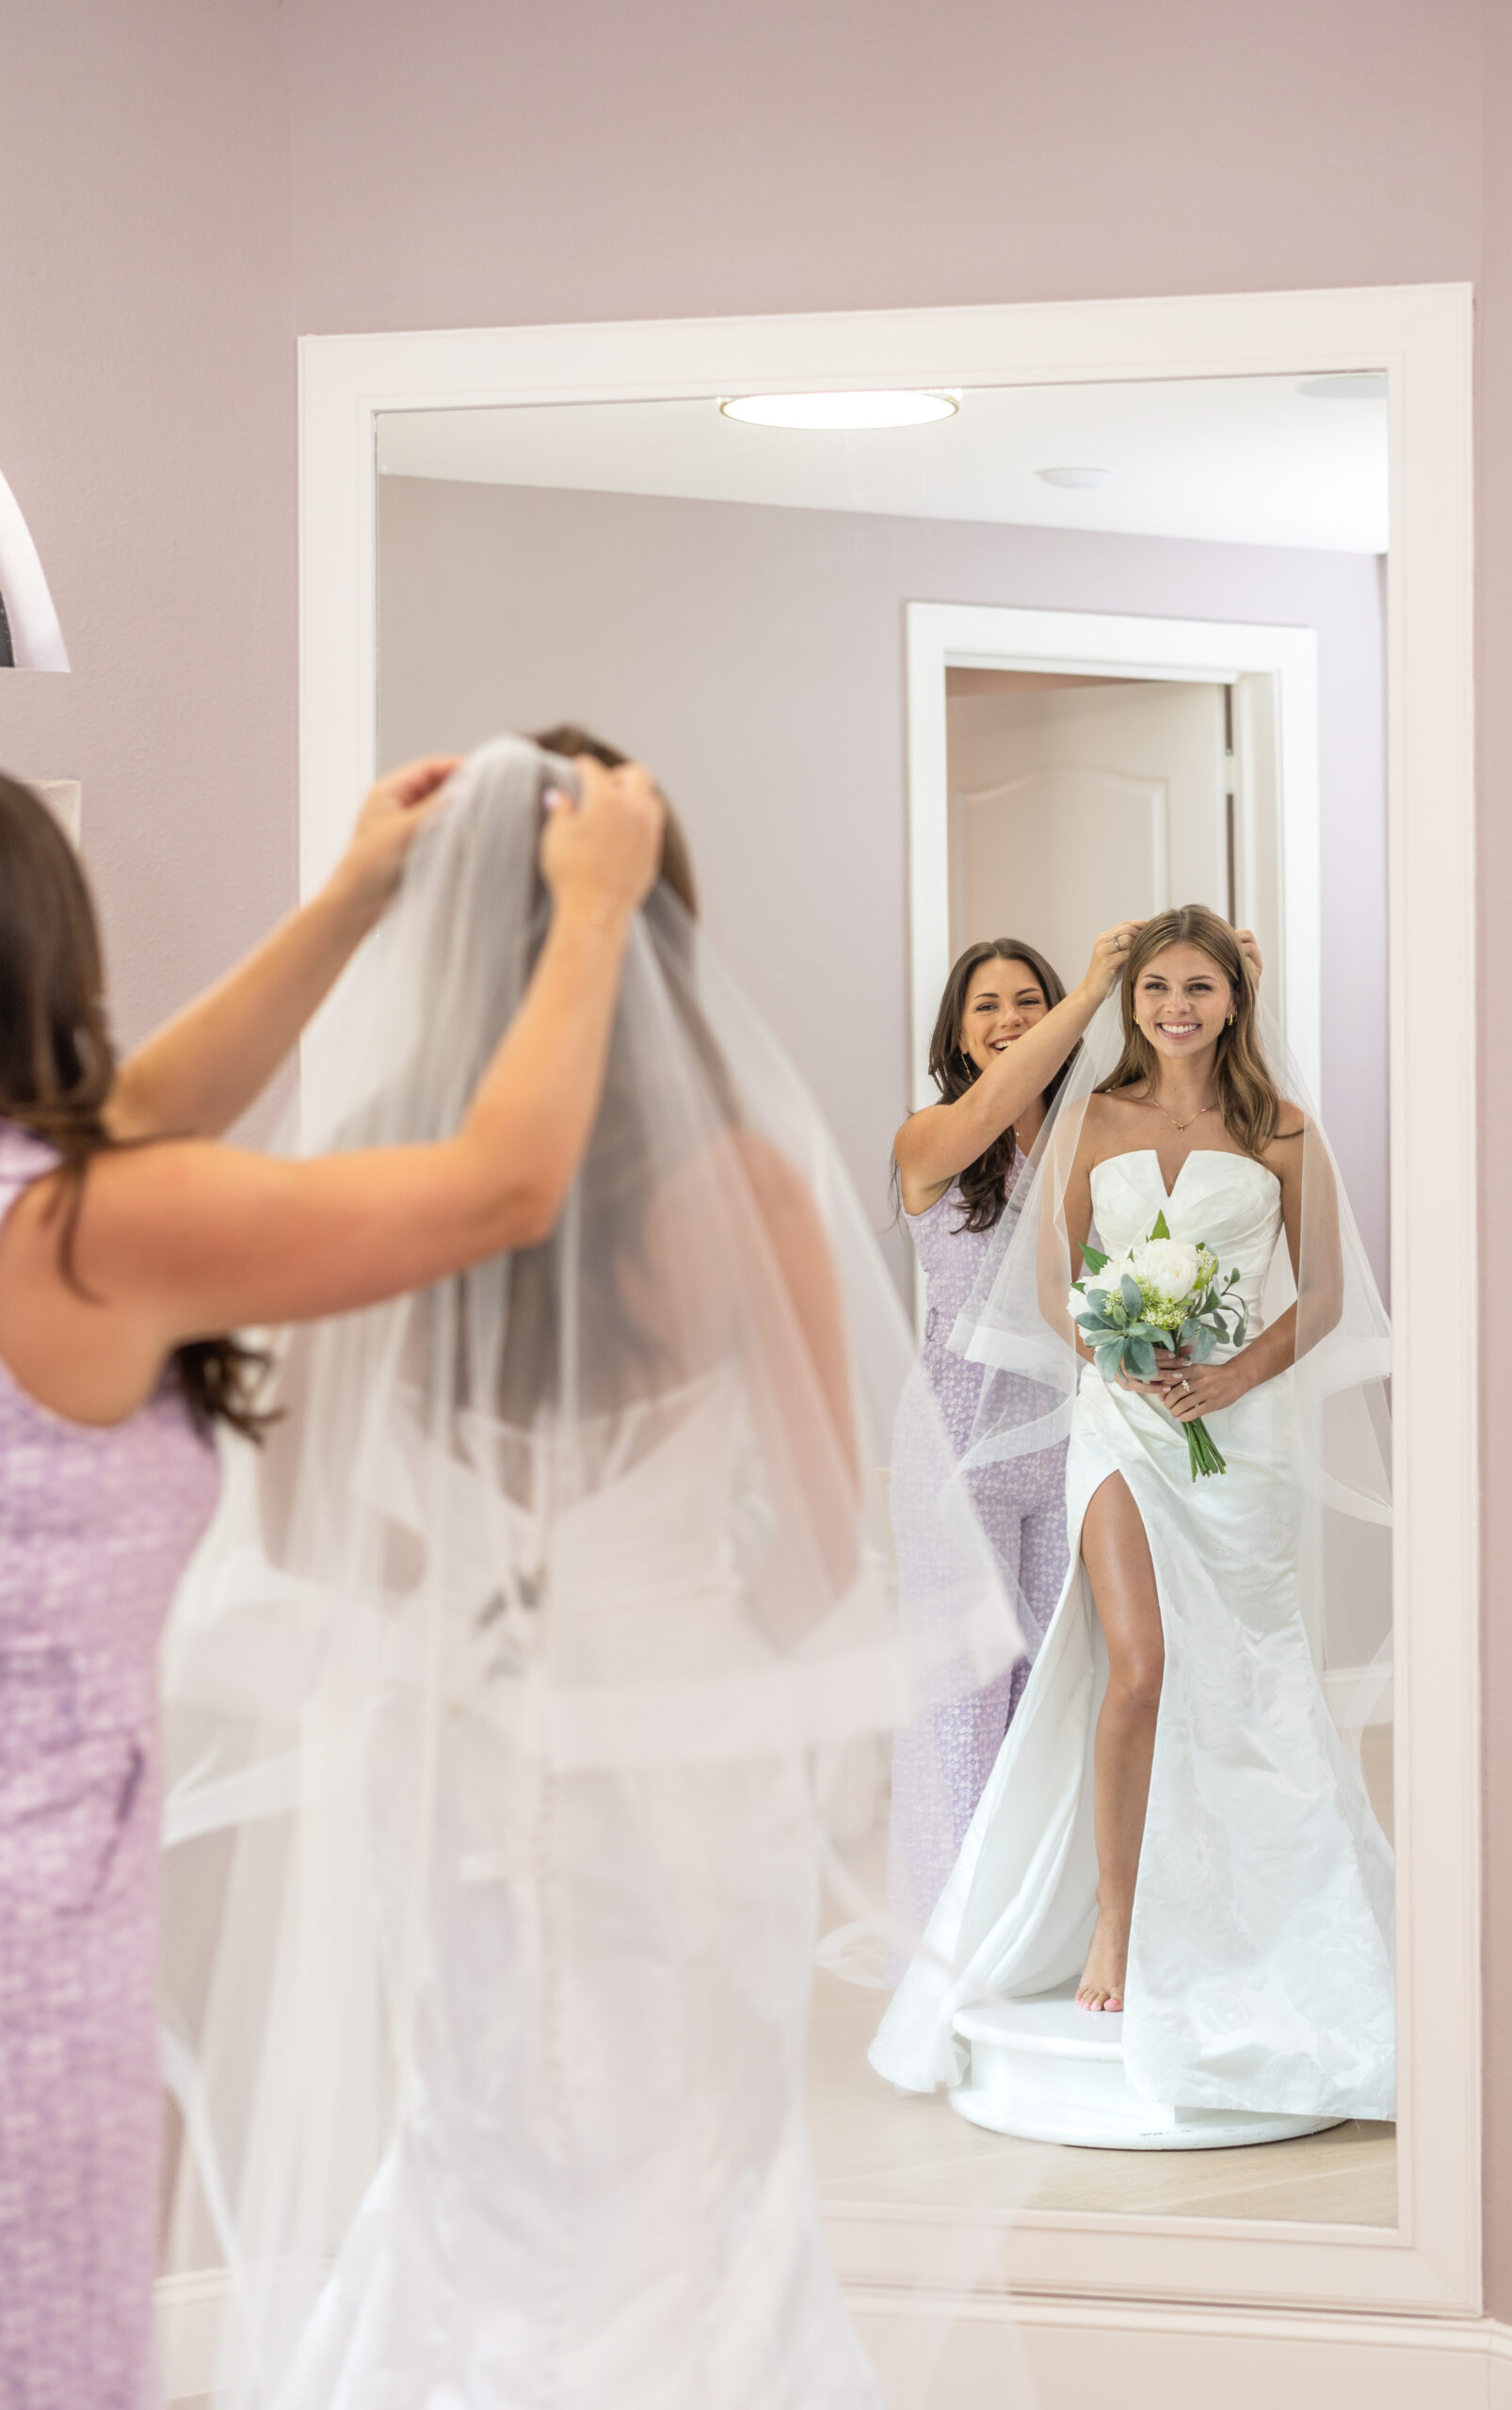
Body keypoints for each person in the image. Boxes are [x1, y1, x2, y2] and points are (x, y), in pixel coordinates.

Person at [156, 734, 1021, 2409]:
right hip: (687, 1734)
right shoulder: (745, 1184)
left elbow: (295, 1516)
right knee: (703, 2165)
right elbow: (827, 1543)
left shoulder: (382, 1160)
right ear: (656, 919)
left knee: (472, 2139)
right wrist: (682, 1650)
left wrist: (485, 1608)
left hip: (454, 1735)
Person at [0, 740, 666, 2410]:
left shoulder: (57, 1203)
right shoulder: (81, 1233)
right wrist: (592, 916)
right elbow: (499, 1186)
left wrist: (353, 897)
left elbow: (142, 1108)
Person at [869, 906, 1395, 2128]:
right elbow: (1049, 1285)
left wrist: (1225, 1375)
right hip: (1077, 1426)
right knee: (1121, 1673)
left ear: (1227, 997)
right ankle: (1072, 1928)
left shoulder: (1277, 1127)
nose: (1175, 1002)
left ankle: (1258, 1918)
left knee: (1242, 1676)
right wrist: (1113, 1346)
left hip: (1226, 1430)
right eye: (1156, 986)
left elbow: (1319, 1299)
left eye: (1197, 987)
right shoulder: (1051, 1123)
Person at [884, 928, 1134, 1936]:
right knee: (962, 1698)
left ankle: (1032, 1926)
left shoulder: (1088, 1140)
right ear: (956, 1030)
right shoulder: (928, 1137)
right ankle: (952, 1945)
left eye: (1024, 1002)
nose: (1007, 1020)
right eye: (985, 1005)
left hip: (1067, 1443)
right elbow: (994, 1102)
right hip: (953, 1451)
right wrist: (1089, 990)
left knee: (1051, 1692)